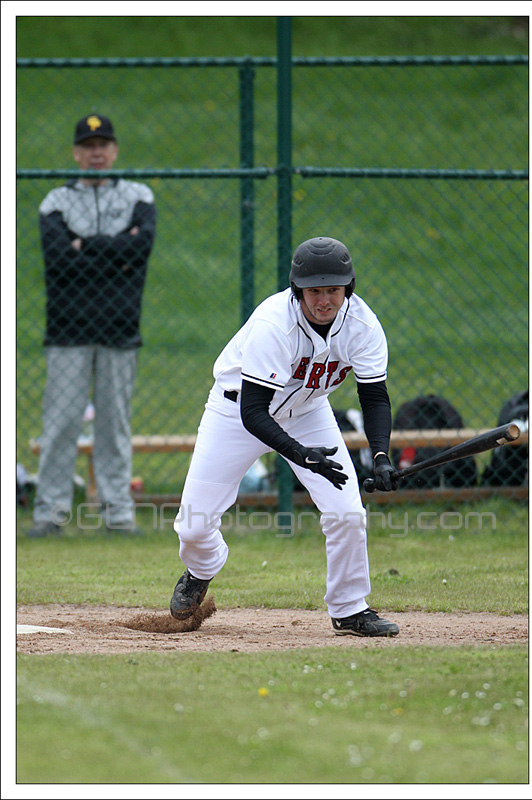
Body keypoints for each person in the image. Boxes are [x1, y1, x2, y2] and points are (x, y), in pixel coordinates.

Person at [170, 236, 400, 638]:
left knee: (347, 513)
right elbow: (254, 411)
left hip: (308, 413)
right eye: (314, 291)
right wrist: (299, 454)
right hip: (235, 411)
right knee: (193, 526)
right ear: (297, 290)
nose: (324, 300)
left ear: (348, 287)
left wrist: (380, 455)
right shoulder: (274, 324)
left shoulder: (362, 325)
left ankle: (349, 609)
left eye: (334, 289)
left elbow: (375, 398)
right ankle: (202, 567)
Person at [28, 114, 157, 537]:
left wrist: (85, 245)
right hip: (69, 332)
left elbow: (140, 249)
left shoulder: (139, 197)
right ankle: (50, 514)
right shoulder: (56, 202)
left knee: (114, 426)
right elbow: (60, 261)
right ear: (76, 153)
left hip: (119, 330)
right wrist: (116, 252)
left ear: (115, 150)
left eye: (103, 145)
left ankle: (118, 515)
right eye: (88, 146)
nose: (96, 153)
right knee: (61, 423)